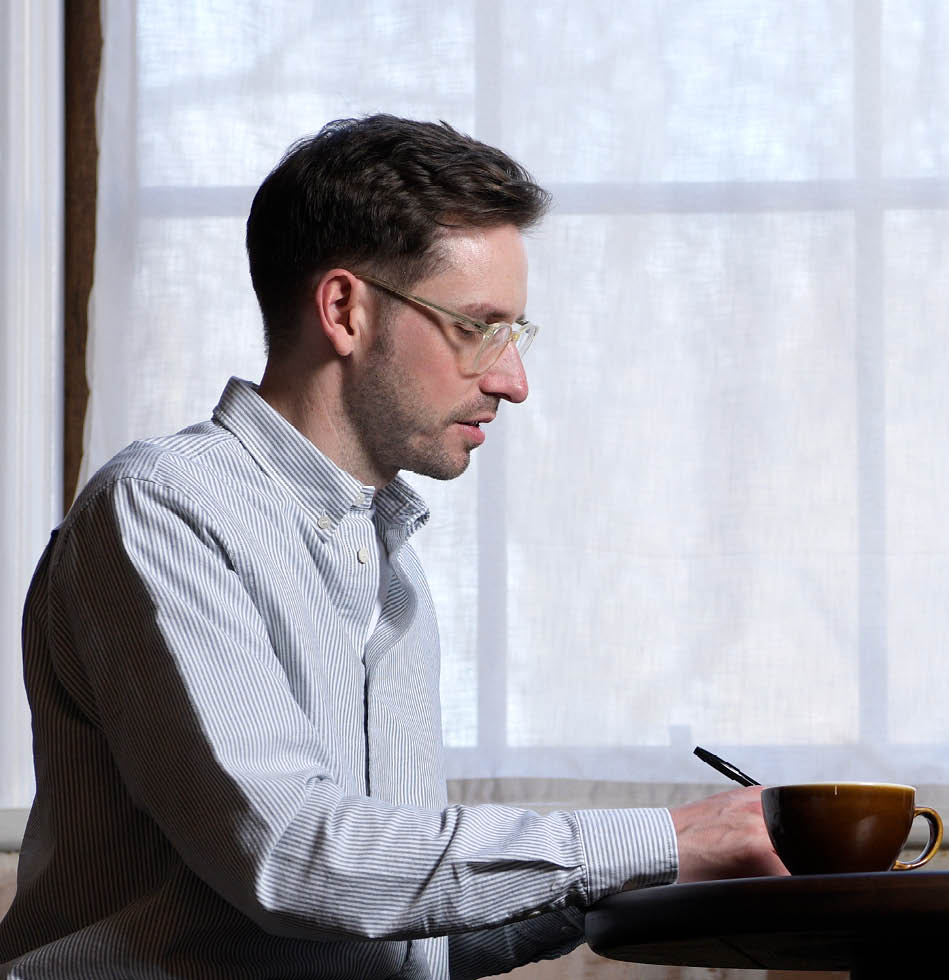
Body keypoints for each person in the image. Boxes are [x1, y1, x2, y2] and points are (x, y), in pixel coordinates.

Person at [0, 115, 784, 980]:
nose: (512, 381)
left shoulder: (392, 569)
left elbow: (394, 930)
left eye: (516, 334)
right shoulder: (161, 511)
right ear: (345, 310)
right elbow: (296, 860)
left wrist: (660, 878)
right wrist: (659, 839)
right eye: (479, 326)